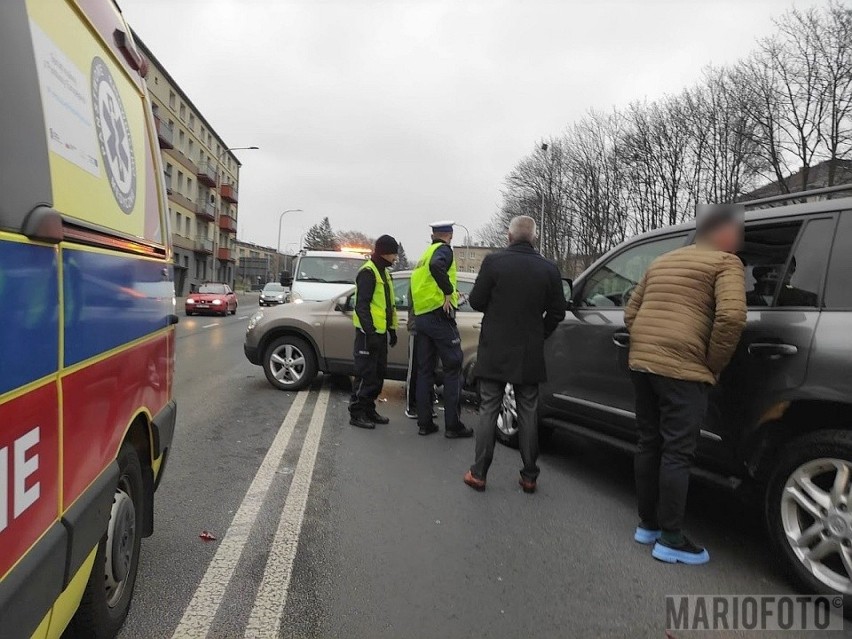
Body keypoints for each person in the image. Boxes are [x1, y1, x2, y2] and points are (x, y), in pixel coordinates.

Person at [624, 202, 747, 565]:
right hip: (683, 370)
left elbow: (631, 313)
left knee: (649, 442)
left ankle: (647, 525)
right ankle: (671, 539)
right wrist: (712, 363)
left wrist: (649, 345)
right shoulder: (726, 263)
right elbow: (732, 317)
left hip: (642, 364)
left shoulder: (662, 260)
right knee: (678, 451)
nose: (739, 239)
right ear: (720, 233)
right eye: (736, 231)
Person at [463, 216, 566, 493]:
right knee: (528, 412)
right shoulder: (549, 268)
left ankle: (479, 473)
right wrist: (538, 333)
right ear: (534, 238)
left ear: (509, 236)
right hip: (528, 350)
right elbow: (558, 311)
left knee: (488, 409)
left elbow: (476, 301)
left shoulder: (494, 263)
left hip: (495, 348)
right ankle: (530, 475)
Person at [410, 221, 473, 438]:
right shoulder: (444, 250)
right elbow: (437, 267)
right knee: (453, 368)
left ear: (433, 234)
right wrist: (448, 292)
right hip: (439, 317)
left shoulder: (424, 254)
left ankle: (425, 423)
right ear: (450, 235)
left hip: (423, 318)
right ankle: (453, 426)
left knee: (425, 371)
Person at [349, 235, 400, 429]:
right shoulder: (368, 273)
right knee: (365, 374)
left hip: (380, 333)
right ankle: (357, 412)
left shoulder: (384, 273)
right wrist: (370, 333)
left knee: (378, 374)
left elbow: (388, 305)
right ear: (385, 252)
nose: (395, 257)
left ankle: (369, 409)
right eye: (394, 253)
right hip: (367, 334)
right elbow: (361, 306)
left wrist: (392, 330)